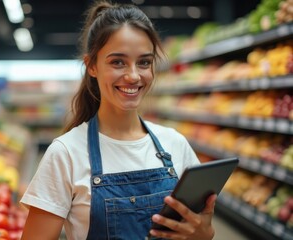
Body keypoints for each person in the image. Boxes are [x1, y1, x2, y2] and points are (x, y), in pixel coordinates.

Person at [20, 1, 216, 239]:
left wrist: (205, 235)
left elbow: (198, 227)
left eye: (144, 62)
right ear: (91, 66)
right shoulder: (66, 153)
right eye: (118, 62)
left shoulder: (175, 144)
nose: (133, 76)